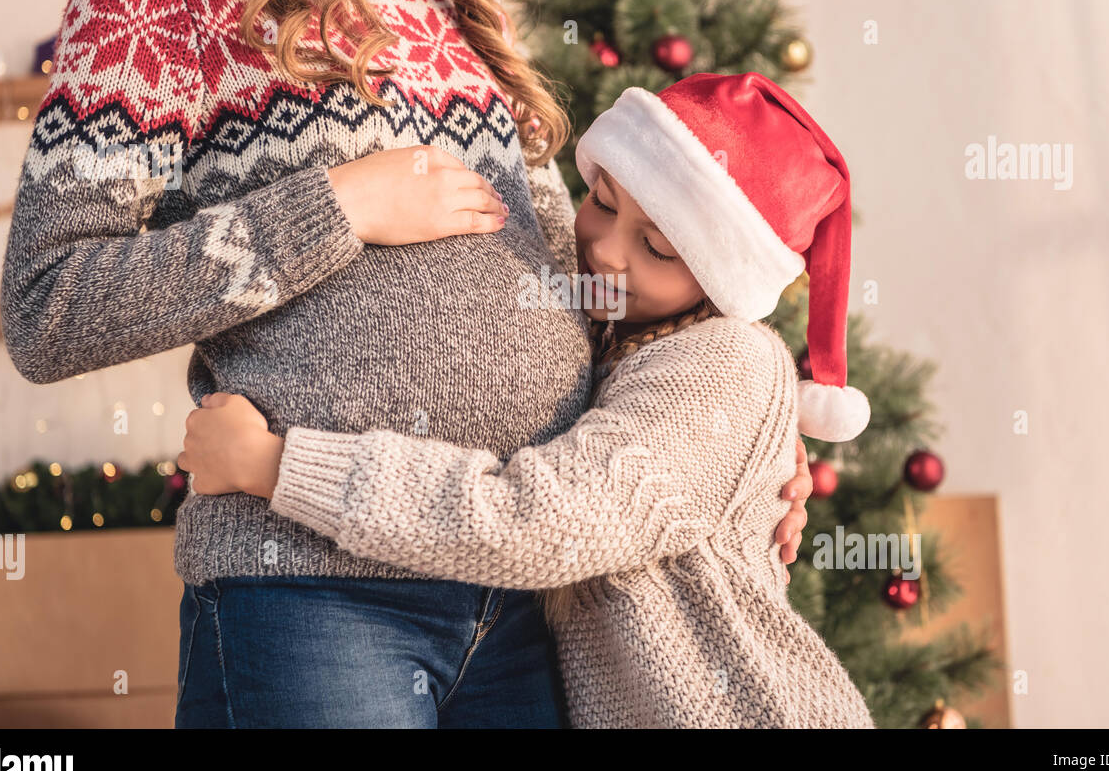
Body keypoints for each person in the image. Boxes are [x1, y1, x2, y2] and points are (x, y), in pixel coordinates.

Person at [1, 0, 811, 728]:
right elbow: (50, 307)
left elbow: (573, 295)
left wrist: (736, 437)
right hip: (313, 589)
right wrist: (339, 205)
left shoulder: (458, 1)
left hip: (532, 605)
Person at [180, 72, 875, 727]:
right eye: (603, 201)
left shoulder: (724, 362)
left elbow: (542, 521)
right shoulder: (621, 332)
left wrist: (277, 465)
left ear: (723, 280)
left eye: (657, 246)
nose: (604, 249)